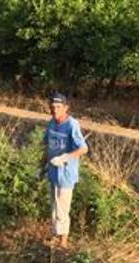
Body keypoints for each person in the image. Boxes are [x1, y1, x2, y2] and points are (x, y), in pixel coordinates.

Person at [40, 93, 88, 249]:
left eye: (58, 107)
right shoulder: (51, 124)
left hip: (66, 174)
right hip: (53, 172)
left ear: (66, 108)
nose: (55, 110)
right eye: (52, 107)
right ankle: (56, 236)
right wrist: (42, 166)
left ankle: (63, 243)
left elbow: (83, 148)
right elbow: (47, 146)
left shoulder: (72, 125)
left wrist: (65, 157)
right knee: (54, 208)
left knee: (62, 209)